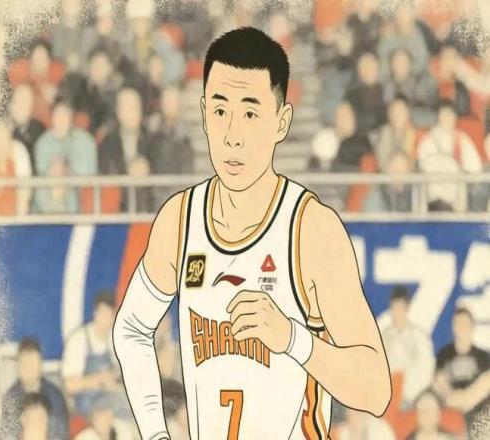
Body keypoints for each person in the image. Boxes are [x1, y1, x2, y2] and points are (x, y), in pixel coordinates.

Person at [113, 27, 392, 440]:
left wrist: (293, 339)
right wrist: (156, 433)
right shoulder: (179, 219)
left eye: (250, 113)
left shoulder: (311, 228)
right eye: (220, 111)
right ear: (203, 113)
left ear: (281, 122)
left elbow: (376, 389)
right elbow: (131, 328)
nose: (232, 136)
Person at [62, 291, 131, 420]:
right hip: (85, 408)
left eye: (109, 315)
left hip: (109, 400)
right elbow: (69, 385)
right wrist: (99, 380)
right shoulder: (79, 339)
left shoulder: (113, 338)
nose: (105, 319)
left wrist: (113, 378)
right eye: (102, 314)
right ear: (95, 313)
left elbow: (120, 372)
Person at [33, 96, 97, 214]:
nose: (61, 119)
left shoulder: (85, 141)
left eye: (65, 114)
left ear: (71, 116)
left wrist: (67, 169)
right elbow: (43, 172)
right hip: (49, 196)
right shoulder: (43, 143)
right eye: (57, 114)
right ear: (52, 117)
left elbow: (88, 174)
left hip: (79, 196)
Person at [0, 338, 69, 440]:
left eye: (33, 363)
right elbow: (6, 434)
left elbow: (59, 434)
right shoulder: (10, 398)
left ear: (40, 365)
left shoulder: (55, 396)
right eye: (25, 363)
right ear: (17, 366)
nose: (29, 369)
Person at [433, 307, 490, 431]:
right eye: (458, 323)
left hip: (479, 419)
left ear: (472, 327)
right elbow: (440, 388)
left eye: (465, 323)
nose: (461, 327)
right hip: (450, 417)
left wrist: (465, 399)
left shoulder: (484, 357)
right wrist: (456, 400)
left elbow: (483, 388)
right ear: (453, 327)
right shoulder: (442, 356)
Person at [98, 87, 154, 212]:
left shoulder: (152, 139)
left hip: (147, 209)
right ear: (119, 112)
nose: (133, 113)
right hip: (119, 210)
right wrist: (127, 172)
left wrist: (148, 169)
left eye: (135, 108)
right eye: (127, 109)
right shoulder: (107, 142)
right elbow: (106, 172)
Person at [381, 287, 435, 410]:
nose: (396, 313)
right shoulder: (385, 337)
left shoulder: (420, 337)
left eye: (400, 308)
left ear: (407, 308)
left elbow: (426, 372)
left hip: (413, 400)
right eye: (393, 308)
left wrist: (407, 395)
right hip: (389, 400)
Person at [0, 120, 32, 215]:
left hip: (14, 215)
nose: (0, 144)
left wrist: (19, 220)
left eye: (4, 138)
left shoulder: (19, 151)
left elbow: (24, 194)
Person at [8, 83, 45, 174]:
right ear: (11, 105)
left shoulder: (39, 128)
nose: (24, 106)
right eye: (20, 100)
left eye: (27, 101)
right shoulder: (3, 131)